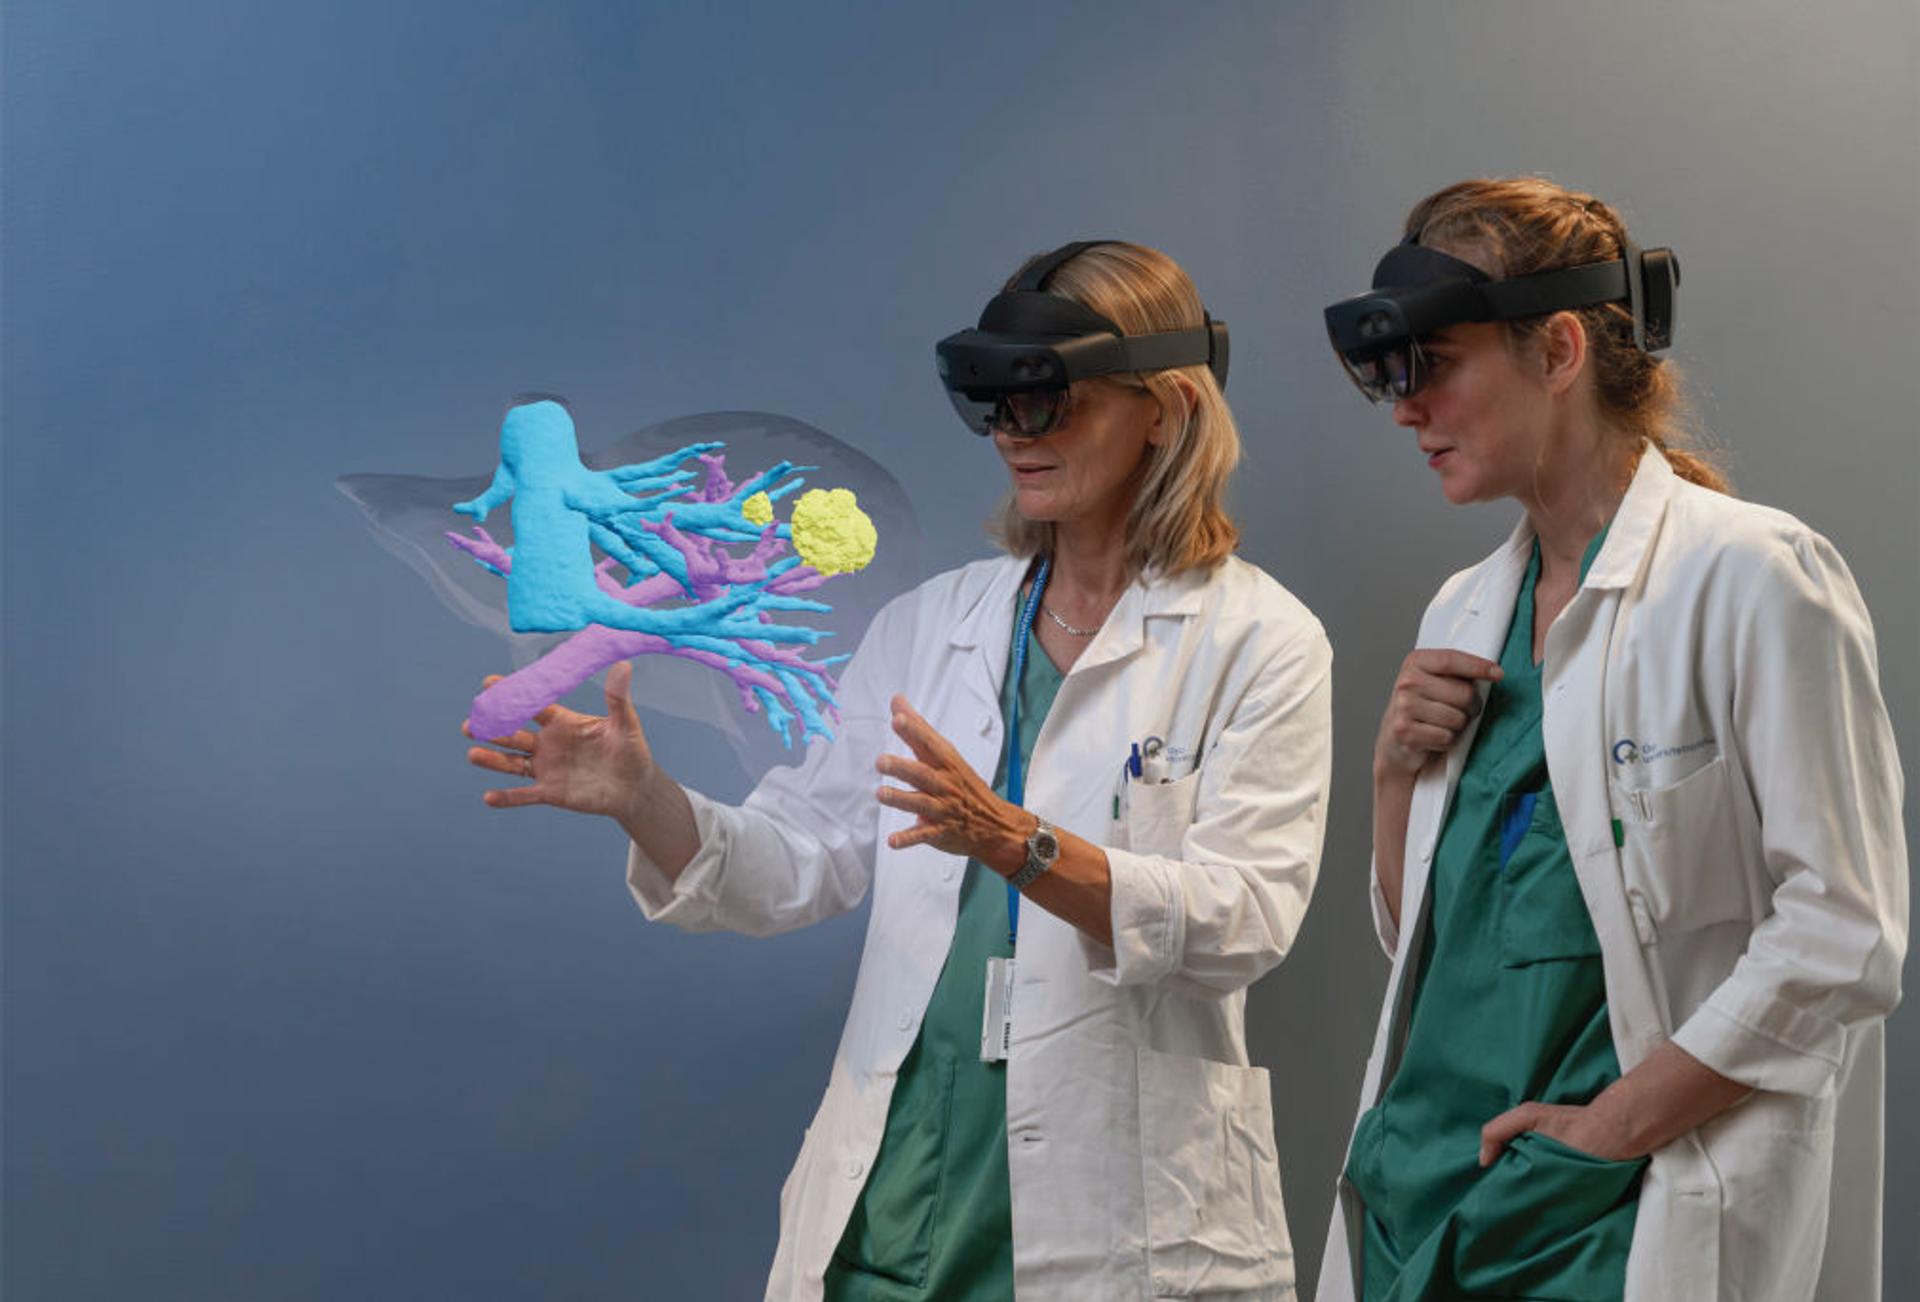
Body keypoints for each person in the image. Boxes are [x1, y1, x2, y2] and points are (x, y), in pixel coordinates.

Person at [468, 240, 1332, 1300]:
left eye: (1048, 400)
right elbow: (801, 862)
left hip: (1124, 1224)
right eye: (993, 404)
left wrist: (1018, 844)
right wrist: (646, 800)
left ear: (1163, 406)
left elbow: (1244, 921)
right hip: (901, 1205)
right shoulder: (932, 627)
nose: (1016, 433)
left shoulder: (1260, 641)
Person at [1313, 178, 1907, 1301]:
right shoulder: (1463, 611)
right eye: (1390, 375)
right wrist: (1394, 779)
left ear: (1561, 349)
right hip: (1421, 1189)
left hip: (1603, 1215)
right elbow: (1425, 949)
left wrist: (1612, 1130)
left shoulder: (1752, 577)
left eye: (1431, 364)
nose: (1404, 407)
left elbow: (1844, 931)